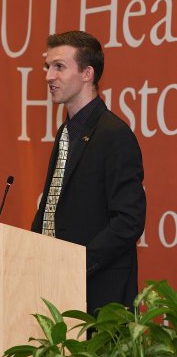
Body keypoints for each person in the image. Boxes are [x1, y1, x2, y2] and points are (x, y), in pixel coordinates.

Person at [31, 30, 146, 316]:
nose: (48, 76)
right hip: (57, 288)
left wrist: (76, 264)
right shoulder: (67, 132)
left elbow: (129, 222)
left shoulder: (114, 135)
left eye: (59, 66)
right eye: (48, 67)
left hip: (99, 297)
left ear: (87, 74)